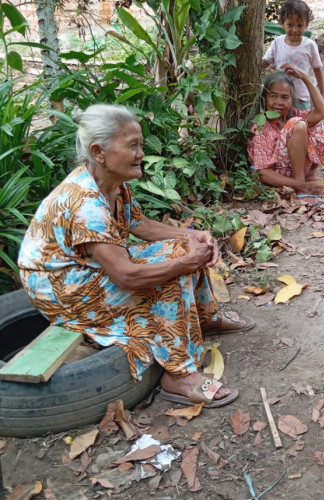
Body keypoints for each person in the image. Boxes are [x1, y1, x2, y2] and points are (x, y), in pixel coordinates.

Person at [17, 104, 256, 408]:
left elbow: (139, 225)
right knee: (172, 269)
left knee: (183, 250)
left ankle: (204, 318)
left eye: (140, 144)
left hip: (86, 271)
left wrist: (193, 236)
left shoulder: (112, 184)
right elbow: (126, 276)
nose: (141, 153)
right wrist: (187, 262)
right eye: (132, 145)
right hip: (62, 291)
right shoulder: (85, 205)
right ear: (98, 151)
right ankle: (179, 375)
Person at [247, 65, 324, 195]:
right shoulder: (262, 127)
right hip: (281, 174)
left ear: (292, 100)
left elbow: (323, 111)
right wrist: (299, 184)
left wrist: (305, 78)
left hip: (300, 170)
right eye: (273, 96)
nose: (278, 102)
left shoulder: (294, 114)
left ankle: (310, 175)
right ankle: (302, 183)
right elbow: (263, 173)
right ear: (265, 98)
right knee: (297, 124)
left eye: (285, 97)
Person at [262, 0, 324, 110]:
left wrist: (321, 95)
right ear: (281, 22)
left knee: (302, 123)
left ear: (307, 24)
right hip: (281, 97)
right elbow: (264, 63)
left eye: (300, 25)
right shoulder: (277, 43)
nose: (295, 30)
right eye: (290, 25)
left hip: (302, 97)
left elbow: (317, 70)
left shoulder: (310, 45)